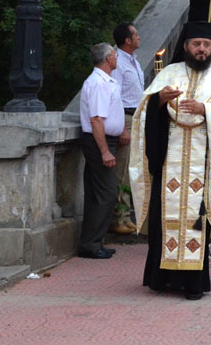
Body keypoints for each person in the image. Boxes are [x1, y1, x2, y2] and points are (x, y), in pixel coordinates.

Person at [129, 22, 211, 300]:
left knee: (195, 222)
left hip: (203, 164)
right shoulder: (169, 72)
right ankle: (161, 278)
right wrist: (158, 103)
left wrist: (206, 109)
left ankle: (193, 283)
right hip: (169, 164)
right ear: (186, 46)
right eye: (196, 44)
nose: (201, 49)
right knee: (165, 218)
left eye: (206, 44)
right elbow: (144, 113)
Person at [78, 42, 126, 259]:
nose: (117, 58)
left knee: (99, 192)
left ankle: (94, 241)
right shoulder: (98, 83)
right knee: (106, 193)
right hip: (99, 141)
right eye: (115, 55)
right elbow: (96, 119)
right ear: (108, 59)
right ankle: (91, 243)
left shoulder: (106, 81)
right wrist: (105, 151)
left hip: (107, 139)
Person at [109, 23, 144, 235]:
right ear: (127, 40)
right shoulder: (118, 63)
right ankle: (117, 217)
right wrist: (122, 127)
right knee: (121, 170)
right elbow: (115, 95)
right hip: (126, 117)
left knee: (132, 170)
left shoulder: (134, 61)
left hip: (137, 117)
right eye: (135, 35)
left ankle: (127, 214)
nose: (139, 38)